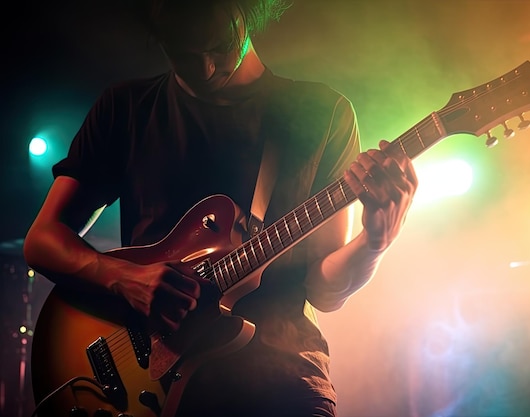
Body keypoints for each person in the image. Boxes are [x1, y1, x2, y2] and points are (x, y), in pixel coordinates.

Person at [23, 0, 418, 415]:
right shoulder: (126, 108)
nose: (207, 68)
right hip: (151, 386)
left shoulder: (321, 114)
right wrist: (125, 278)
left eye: (220, 46)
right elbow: (42, 241)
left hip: (282, 380)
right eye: (184, 51)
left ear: (248, 13)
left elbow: (323, 292)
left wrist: (375, 242)